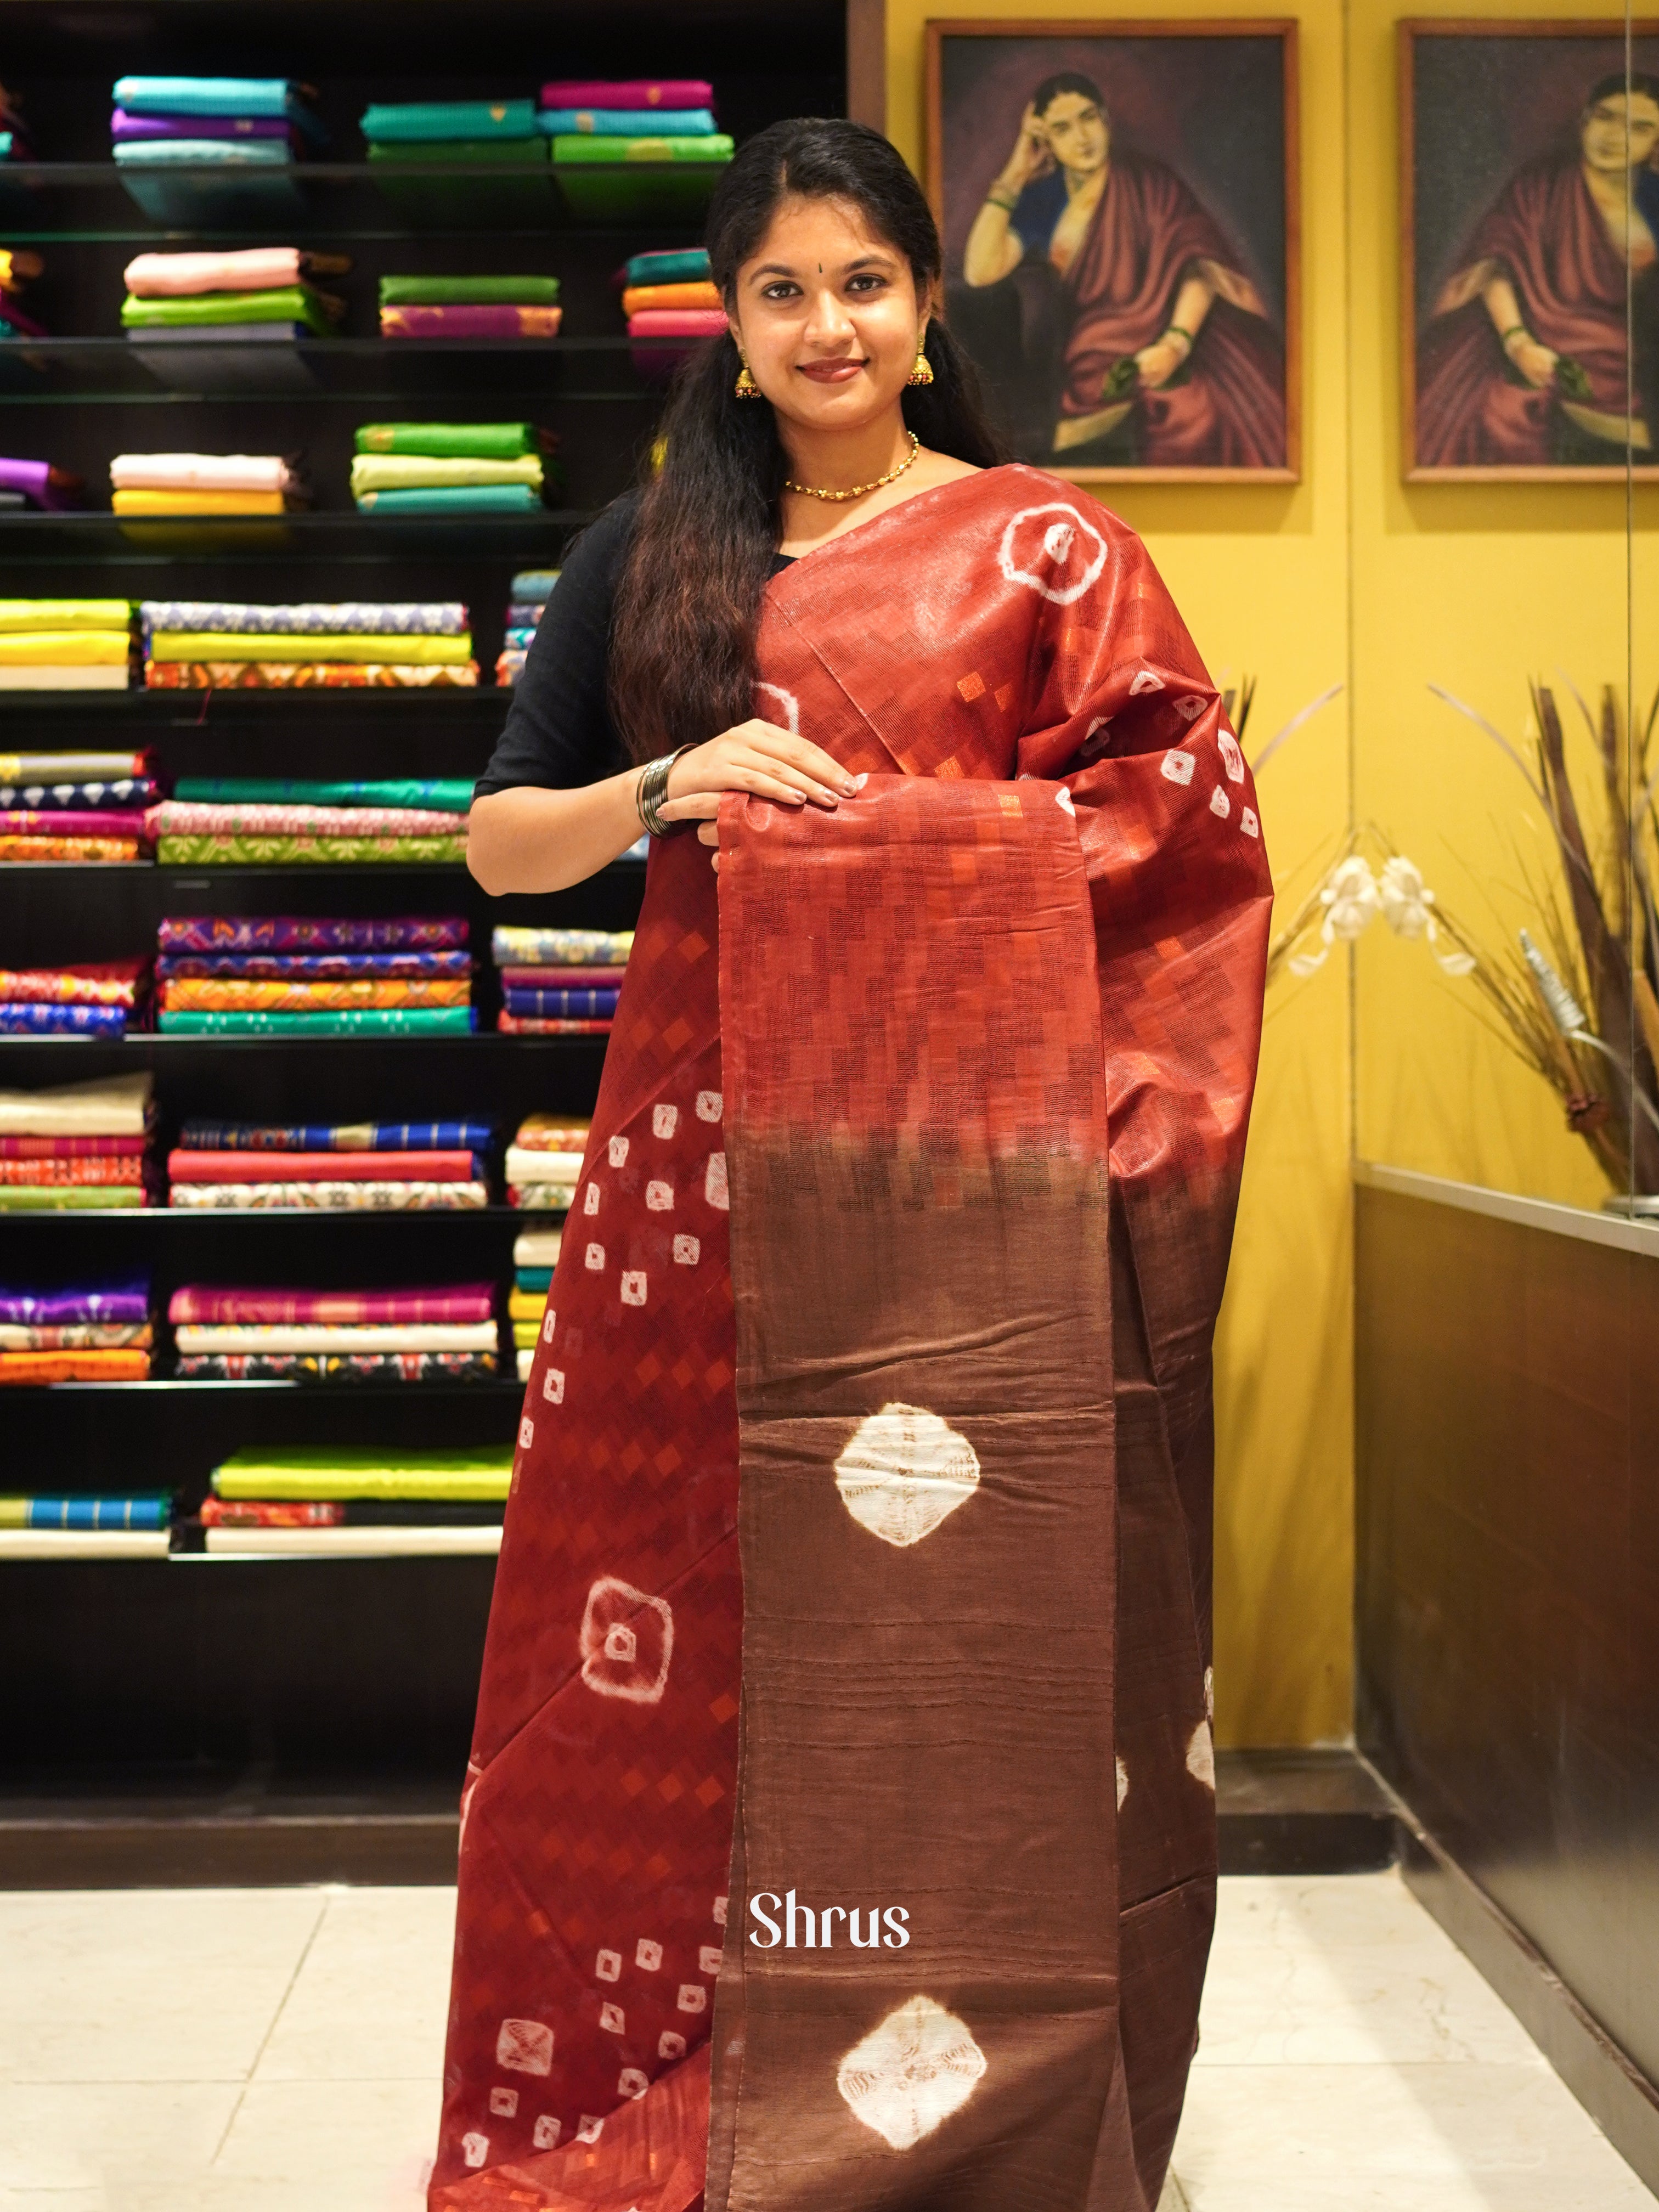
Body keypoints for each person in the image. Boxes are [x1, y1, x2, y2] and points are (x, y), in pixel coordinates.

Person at [435, 116, 1271, 2212]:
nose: (826, 323)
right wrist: (669, 775)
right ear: (728, 331)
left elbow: (1181, 820)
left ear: (921, 309)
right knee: (687, 1618)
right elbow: (498, 843)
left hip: (968, 1182)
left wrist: (907, 847)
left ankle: (981, 2108)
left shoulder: (1037, 548)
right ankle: (703, 2094)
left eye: (863, 282)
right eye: (781, 289)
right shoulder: (648, 557)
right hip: (705, 1184)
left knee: (965, 1645)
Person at [953, 70, 1285, 467]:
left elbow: (1200, 267)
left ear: (1106, 120)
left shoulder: (1150, 185)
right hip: (1086, 363)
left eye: (1088, 118)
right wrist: (1016, 171)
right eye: (1062, 128)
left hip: (1170, 345)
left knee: (1193, 413)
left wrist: (1174, 346)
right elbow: (980, 271)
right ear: (1047, 142)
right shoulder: (1045, 201)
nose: (1082, 137)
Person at [1416, 72, 1659, 467]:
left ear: (1656, 144)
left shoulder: (1654, 199)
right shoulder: (1541, 189)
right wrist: (1519, 342)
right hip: (1552, 353)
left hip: (1643, 364)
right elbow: (1493, 266)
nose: (1616, 135)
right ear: (1585, 121)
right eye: (1606, 117)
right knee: (1502, 414)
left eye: (1640, 127)